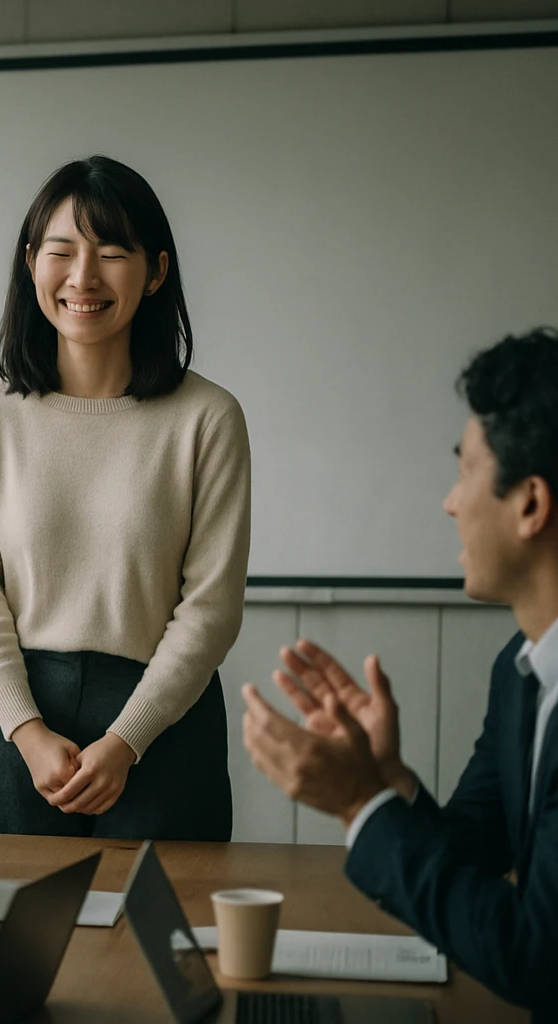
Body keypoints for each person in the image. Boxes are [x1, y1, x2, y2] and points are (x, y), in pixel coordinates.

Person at [242, 327, 558, 1020]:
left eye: (463, 472)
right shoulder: (522, 669)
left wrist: (359, 804)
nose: (449, 503)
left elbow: (539, 959)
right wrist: (386, 777)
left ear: (530, 505)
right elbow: (471, 854)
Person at [0, 155, 251, 840]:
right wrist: (24, 730)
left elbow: (212, 606)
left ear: (156, 271)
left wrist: (126, 740)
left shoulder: (207, 418)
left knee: (163, 941)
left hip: (161, 721)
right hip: (16, 716)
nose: (83, 277)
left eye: (112, 253)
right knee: (10, 939)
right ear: (31, 263)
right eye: (61, 252)